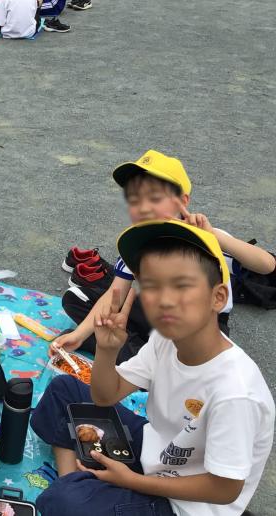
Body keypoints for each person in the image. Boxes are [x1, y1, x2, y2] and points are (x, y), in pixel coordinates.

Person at [31, 220, 275, 516]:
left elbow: (225, 489)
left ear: (218, 297)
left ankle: (81, 489)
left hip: (187, 506)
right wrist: (107, 350)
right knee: (63, 389)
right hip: (155, 452)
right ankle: (77, 483)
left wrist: (131, 481)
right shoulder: (165, 340)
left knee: (66, 501)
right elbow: (106, 396)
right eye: (151, 286)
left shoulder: (235, 392)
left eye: (181, 285)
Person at [51, 150, 275, 364]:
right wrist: (79, 335)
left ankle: (132, 355)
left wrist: (214, 237)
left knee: (182, 354)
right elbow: (114, 296)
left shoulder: (204, 237)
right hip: (157, 314)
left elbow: (267, 265)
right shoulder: (137, 240)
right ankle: (133, 352)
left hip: (199, 329)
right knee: (75, 297)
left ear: (183, 202)